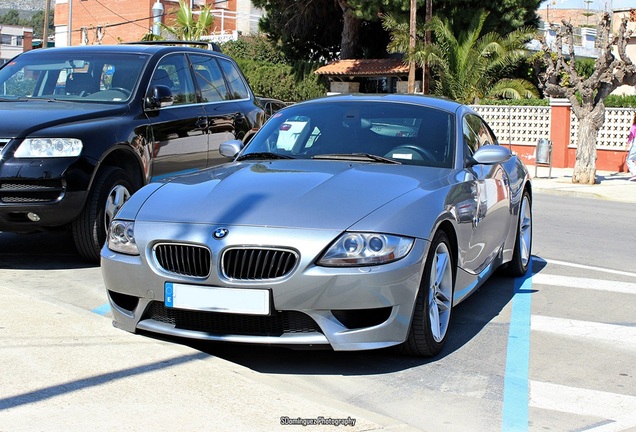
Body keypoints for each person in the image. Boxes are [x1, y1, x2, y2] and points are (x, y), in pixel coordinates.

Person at [627, 113, 636, 181]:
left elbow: (631, 135)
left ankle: (634, 174)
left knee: (629, 159)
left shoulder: (634, 125)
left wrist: (628, 143)